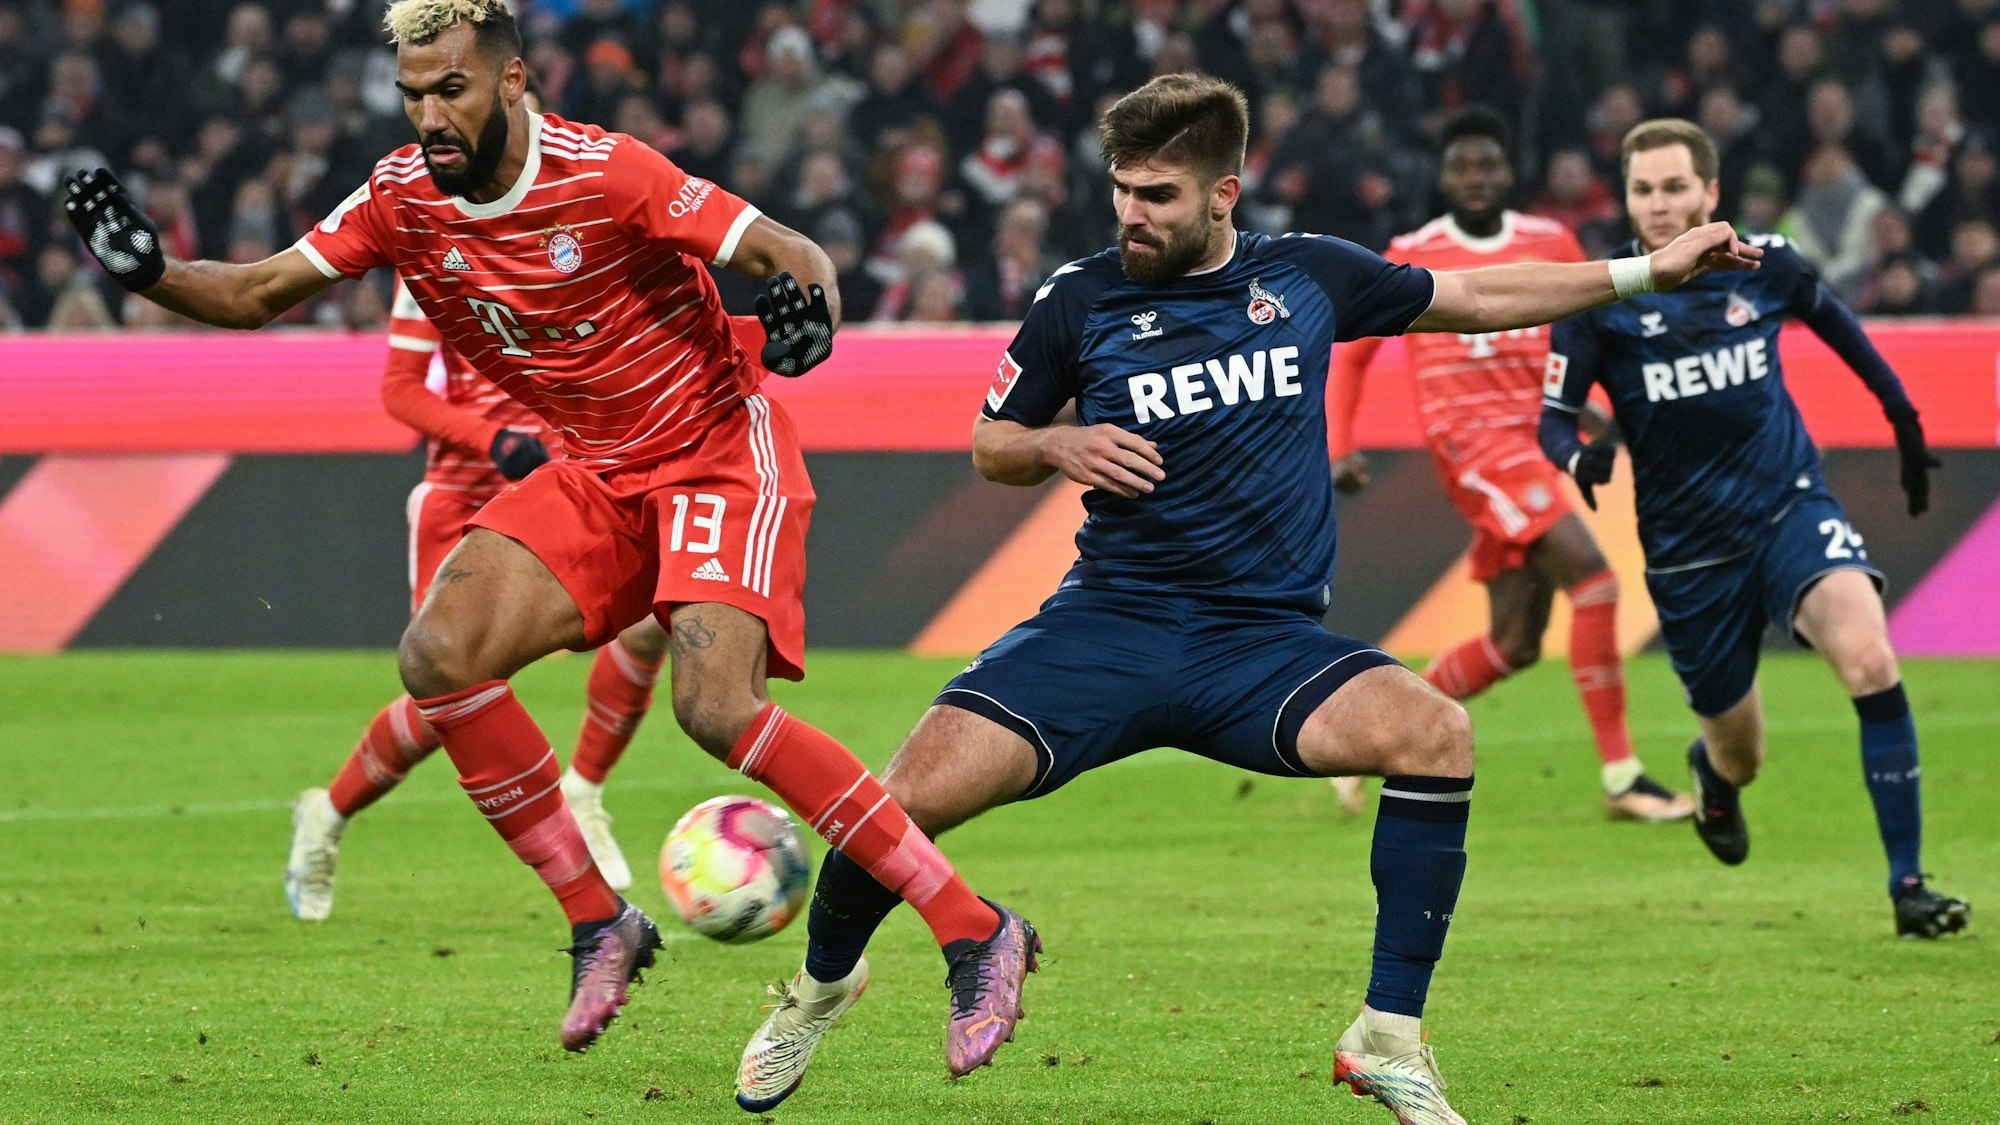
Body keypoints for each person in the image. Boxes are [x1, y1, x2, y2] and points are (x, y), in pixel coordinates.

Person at [731, 73, 1761, 1123]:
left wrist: (1646, 270)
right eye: (1122, 189)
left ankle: (1385, 1039)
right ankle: (819, 990)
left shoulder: (1308, 277)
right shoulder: (1078, 299)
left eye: (1159, 196)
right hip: (1108, 626)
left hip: (1257, 645)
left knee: (1435, 734)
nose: (1132, 213)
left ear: (1224, 193)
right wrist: (1052, 441)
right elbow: (989, 442)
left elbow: (1477, 297)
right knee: (891, 804)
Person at [65, 0, 1034, 1065]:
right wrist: (147, 273)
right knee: (439, 654)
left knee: (714, 706)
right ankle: (597, 919)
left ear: (512, 80)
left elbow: (786, 248)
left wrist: (805, 313)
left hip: (712, 445)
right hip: (594, 474)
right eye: (413, 94)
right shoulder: (398, 197)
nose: (430, 115)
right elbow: (255, 291)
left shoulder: (608, 171)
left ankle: (974, 931)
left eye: (452, 90)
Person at [1540, 118, 1971, 940]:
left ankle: (1908, 884)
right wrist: (1577, 459)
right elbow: (1554, 418)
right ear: (1627, 198)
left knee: (1871, 656)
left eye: (1674, 187)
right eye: (1643, 189)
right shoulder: (1604, 296)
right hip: (1687, 553)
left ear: (1710, 194)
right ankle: (1715, 774)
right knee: (1742, 754)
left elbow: (1836, 320)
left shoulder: (1766, 263)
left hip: (1787, 507)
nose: (1659, 205)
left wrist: (1903, 418)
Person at [1328, 108, 1693, 824]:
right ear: (1442, 175)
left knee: (1516, 641)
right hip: (1472, 447)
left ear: (1506, 170)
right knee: (1593, 579)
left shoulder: (1549, 240)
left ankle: (1369, 737)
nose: (1474, 178)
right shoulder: (1413, 249)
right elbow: (1355, 351)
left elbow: (1572, 332)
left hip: (1534, 444)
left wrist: (1586, 410)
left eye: (1487, 164)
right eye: (1461, 165)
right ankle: (1623, 776)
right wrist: (1341, 444)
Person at [283, 273, 670, 920]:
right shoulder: (436, 259)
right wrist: (493, 441)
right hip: (464, 498)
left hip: (567, 492)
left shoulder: (579, 243)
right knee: (449, 701)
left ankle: (585, 787)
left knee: (657, 617)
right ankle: (327, 811)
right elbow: (400, 389)